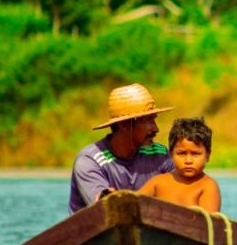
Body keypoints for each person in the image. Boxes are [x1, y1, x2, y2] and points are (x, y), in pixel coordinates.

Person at [69, 83, 175, 214]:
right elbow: (105, 208)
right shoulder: (89, 162)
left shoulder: (160, 154)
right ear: (124, 125)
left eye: (154, 120)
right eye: (148, 121)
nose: (156, 128)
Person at [139, 117, 221, 213]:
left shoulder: (207, 186)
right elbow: (132, 203)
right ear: (171, 155)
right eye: (181, 153)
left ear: (207, 155)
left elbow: (210, 223)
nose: (188, 160)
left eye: (195, 154)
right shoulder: (158, 182)